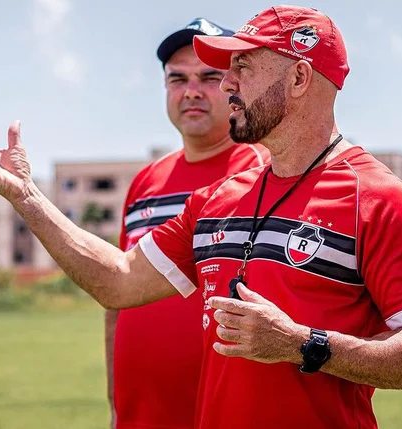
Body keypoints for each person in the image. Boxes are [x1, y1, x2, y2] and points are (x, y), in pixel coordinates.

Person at [0, 5, 402, 429]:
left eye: (243, 68)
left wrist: (304, 345)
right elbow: (119, 283)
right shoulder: (219, 198)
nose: (226, 84)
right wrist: (27, 197)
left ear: (300, 77)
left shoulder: (382, 199)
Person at [105, 18, 268, 429]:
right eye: (177, 79)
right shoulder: (146, 181)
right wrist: (115, 402)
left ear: (236, 84)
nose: (191, 91)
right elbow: (117, 295)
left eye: (209, 77)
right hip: (141, 416)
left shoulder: (264, 172)